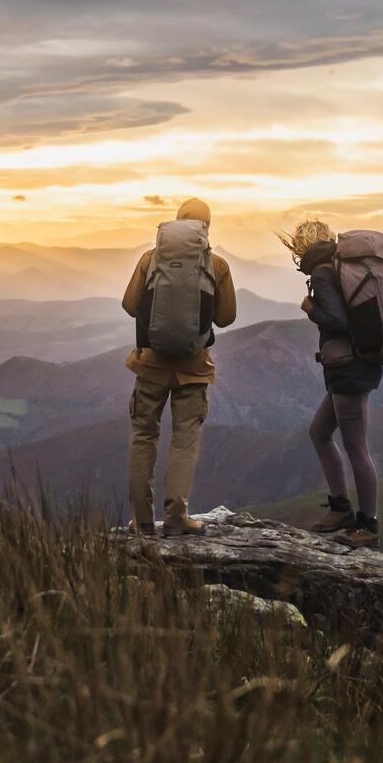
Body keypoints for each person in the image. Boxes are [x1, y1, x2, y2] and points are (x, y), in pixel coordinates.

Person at [120, 198, 237, 536]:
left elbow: (130, 306)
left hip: (150, 365)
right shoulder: (217, 265)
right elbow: (226, 318)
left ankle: (142, 521)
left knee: (144, 437)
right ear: (206, 228)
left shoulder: (149, 259)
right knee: (184, 442)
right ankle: (176, 518)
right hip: (194, 368)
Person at [280, 220, 383, 548]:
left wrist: (311, 309)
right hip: (358, 365)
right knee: (319, 432)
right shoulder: (339, 265)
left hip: (348, 370)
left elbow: (337, 321)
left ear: (302, 246)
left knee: (356, 447)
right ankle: (340, 508)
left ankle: (367, 525)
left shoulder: (324, 272)